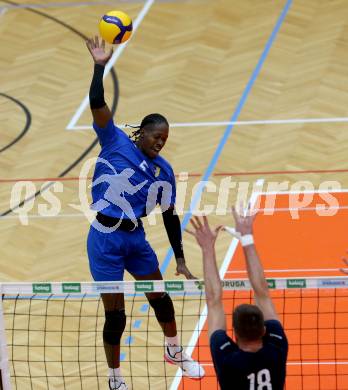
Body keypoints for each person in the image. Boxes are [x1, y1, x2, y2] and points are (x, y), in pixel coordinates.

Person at [85, 36, 205, 390]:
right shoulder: (114, 140)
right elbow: (96, 101)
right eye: (156, 136)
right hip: (104, 239)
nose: (160, 142)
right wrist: (99, 65)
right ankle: (115, 378)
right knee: (116, 317)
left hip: (135, 238)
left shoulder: (163, 171)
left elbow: (169, 215)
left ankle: (174, 351)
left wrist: (180, 258)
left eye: (165, 139)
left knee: (160, 297)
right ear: (142, 132)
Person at [186, 205, 288, 390]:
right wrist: (247, 238)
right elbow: (262, 293)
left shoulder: (227, 358)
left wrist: (207, 248)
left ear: (235, 333)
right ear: (264, 330)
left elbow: (213, 300)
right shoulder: (277, 347)